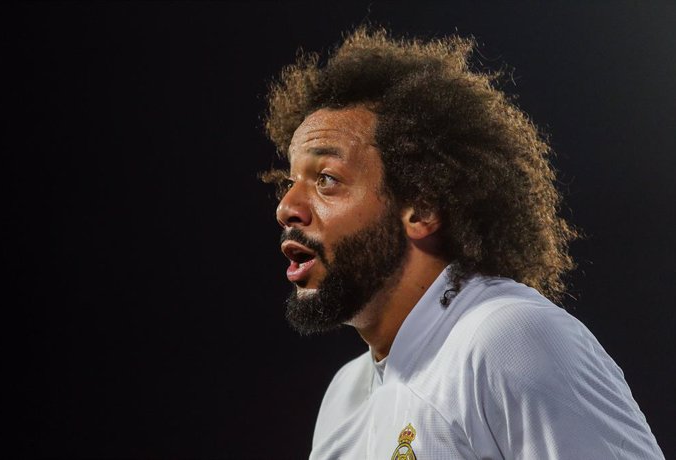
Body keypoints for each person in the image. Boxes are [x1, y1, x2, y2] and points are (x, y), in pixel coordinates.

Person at [260, 26, 664, 459]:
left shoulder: (508, 339)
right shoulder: (344, 398)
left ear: (421, 208)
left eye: (326, 179)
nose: (286, 207)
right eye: (289, 182)